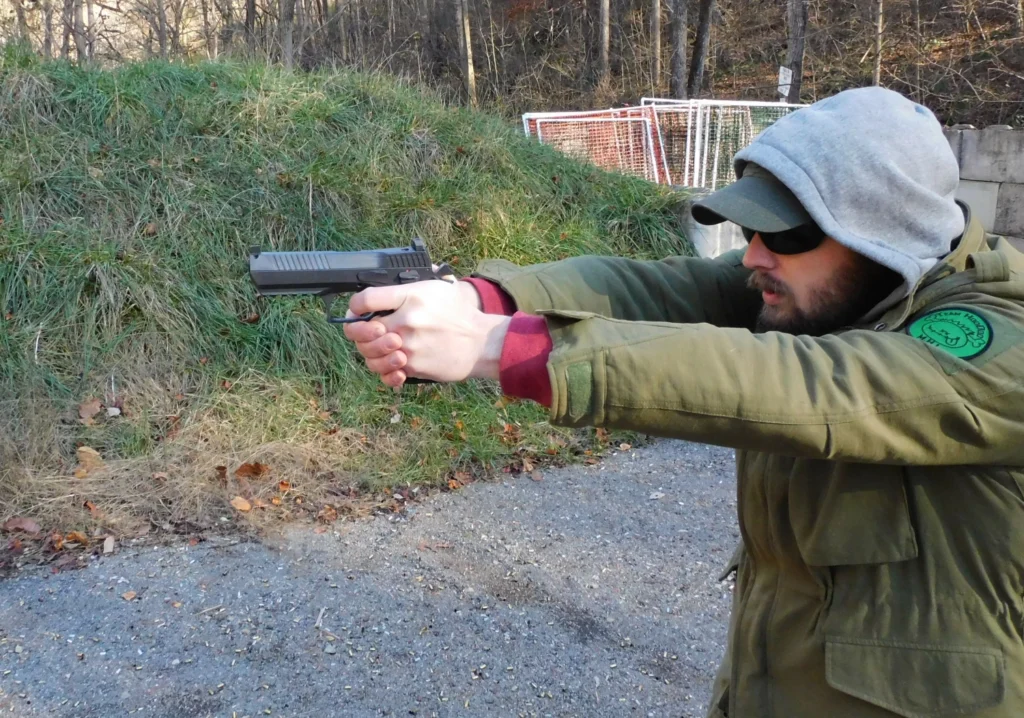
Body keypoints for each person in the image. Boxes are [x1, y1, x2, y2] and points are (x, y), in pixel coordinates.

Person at [342, 87, 1024, 718]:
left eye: (785, 234)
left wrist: (504, 347)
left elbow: (813, 385)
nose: (753, 256)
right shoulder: (834, 289)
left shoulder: (998, 341)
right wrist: (483, 299)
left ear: (882, 235)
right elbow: (659, 289)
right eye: (752, 230)